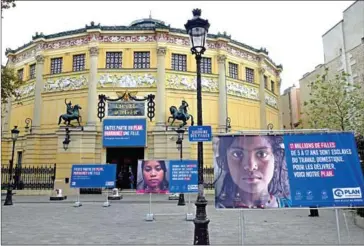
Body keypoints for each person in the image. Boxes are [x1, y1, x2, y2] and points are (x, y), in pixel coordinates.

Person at [214, 135, 292, 209]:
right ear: (225, 161)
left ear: (276, 159)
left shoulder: (291, 208)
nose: (251, 166)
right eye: (237, 154)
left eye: (262, 154)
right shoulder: (216, 210)